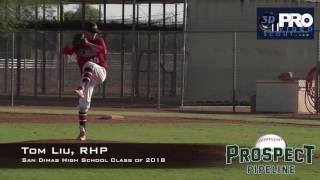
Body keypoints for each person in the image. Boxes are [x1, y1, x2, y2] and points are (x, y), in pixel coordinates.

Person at [63, 21, 108, 141]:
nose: (94, 34)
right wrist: (72, 44)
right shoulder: (79, 44)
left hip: (100, 72)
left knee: (89, 64)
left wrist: (88, 43)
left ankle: (81, 88)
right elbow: (65, 51)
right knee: (83, 106)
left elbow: (104, 51)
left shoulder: (98, 41)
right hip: (88, 78)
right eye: (92, 32)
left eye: (95, 32)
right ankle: (82, 133)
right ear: (86, 32)